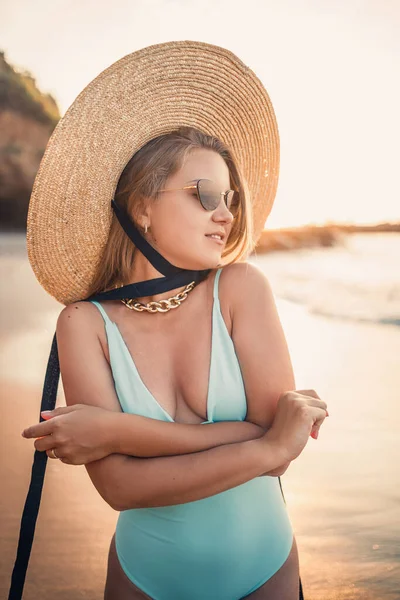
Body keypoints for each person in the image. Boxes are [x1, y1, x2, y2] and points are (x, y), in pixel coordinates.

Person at [14, 41, 328, 600]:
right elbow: (120, 486)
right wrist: (263, 447)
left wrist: (115, 430)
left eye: (229, 197)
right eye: (204, 194)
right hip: (145, 579)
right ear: (141, 207)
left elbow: (283, 448)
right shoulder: (83, 323)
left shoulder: (241, 289)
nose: (226, 215)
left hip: (266, 571)